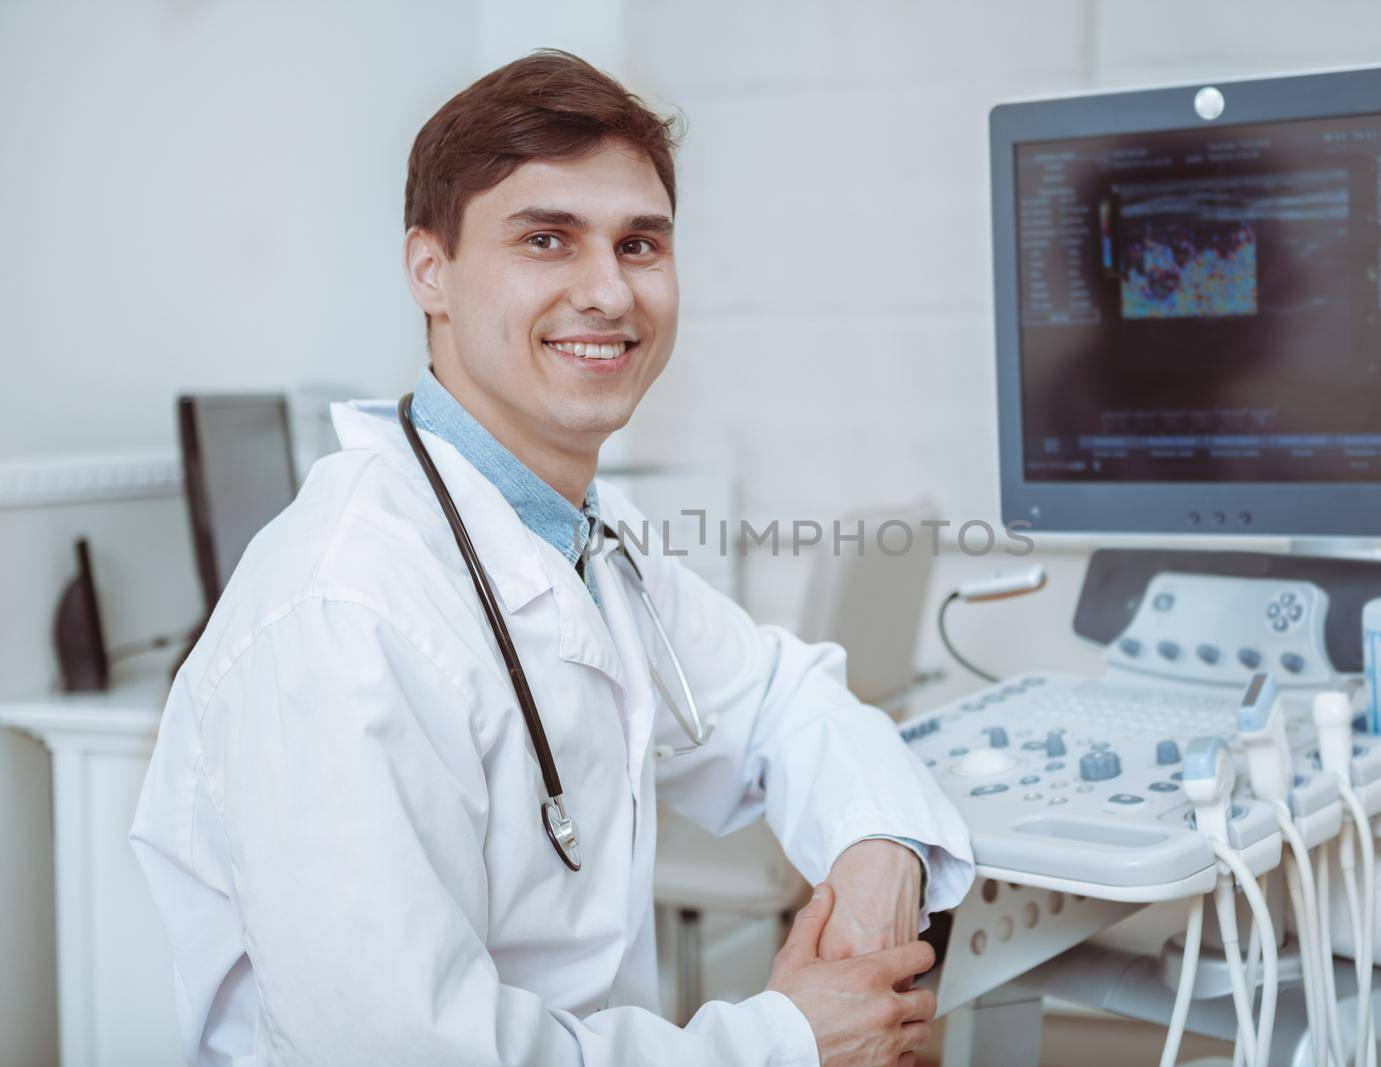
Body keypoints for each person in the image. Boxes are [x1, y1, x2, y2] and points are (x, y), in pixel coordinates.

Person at [131, 49, 973, 1067]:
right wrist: (783, 1040)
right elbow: (399, 1049)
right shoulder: (342, 612)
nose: (608, 291)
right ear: (427, 270)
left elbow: (782, 699)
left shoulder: (577, 535)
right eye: (545, 239)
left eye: (639, 244)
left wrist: (875, 853)